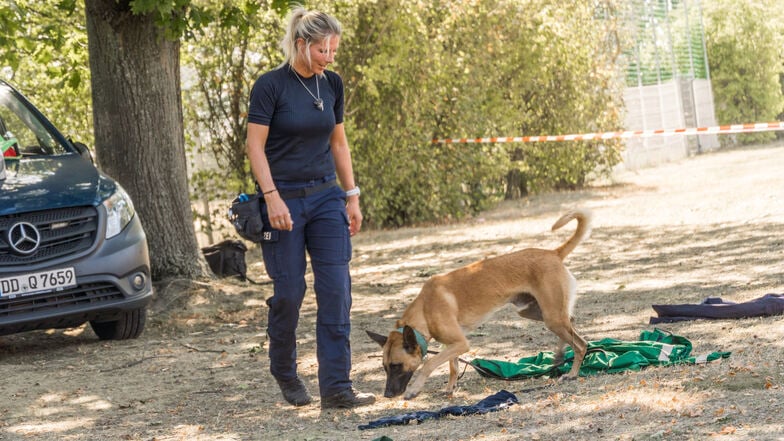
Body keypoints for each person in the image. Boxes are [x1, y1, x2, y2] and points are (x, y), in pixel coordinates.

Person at [246, 6, 375, 409]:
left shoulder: (331, 85)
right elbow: (255, 146)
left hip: (326, 198)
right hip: (282, 199)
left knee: (336, 291)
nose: (330, 57)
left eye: (334, 49)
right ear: (301, 45)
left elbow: (339, 143)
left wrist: (351, 195)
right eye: (323, 50)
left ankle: (337, 387)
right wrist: (271, 197)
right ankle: (284, 370)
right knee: (289, 292)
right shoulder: (270, 86)